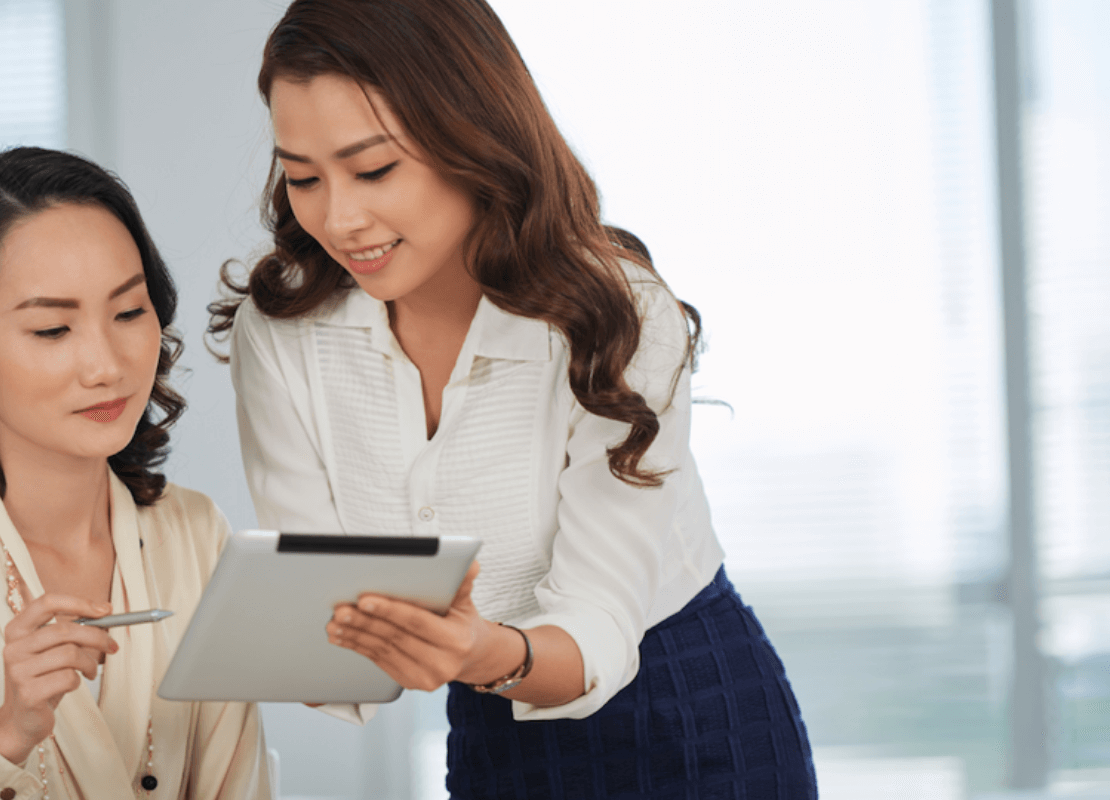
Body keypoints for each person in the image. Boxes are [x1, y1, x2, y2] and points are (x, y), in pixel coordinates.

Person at [208, 0, 818, 797]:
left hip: (687, 713)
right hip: (495, 728)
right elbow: (329, 634)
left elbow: (599, 622)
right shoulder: (282, 331)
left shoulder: (614, 315)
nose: (339, 218)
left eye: (374, 169)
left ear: (471, 140)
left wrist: (477, 651)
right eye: (302, 178)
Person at [0, 147, 273, 800]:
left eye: (127, 313)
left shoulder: (195, 533)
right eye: (53, 329)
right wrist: (7, 736)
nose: (105, 364)